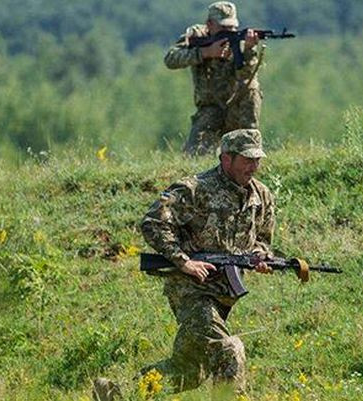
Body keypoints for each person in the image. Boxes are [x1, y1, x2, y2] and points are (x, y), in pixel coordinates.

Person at [139, 128, 274, 396]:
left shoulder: (262, 196)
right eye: (247, 159)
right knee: (229, 351)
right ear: (226, 159)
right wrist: (184, 261)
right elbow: (152, 223)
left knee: (189, 370)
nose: (253, 166)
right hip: (191, 292)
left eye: (257, 159)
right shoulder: (194, 189)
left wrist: (260, 256)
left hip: (224, 297)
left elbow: (263, 240)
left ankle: (119, 391)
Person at [165, 1, 264, 155]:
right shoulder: (196, 37)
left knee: (252, 90)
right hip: (209, 110)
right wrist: (206, 53)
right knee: (196, 156)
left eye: (232, 27)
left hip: (234, 108)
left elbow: (246, 77)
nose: (229, 31)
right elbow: (171, 59)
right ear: (210, 24)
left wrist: (249, 50)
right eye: (224, 27)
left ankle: (251, 148)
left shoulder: (238, 43)